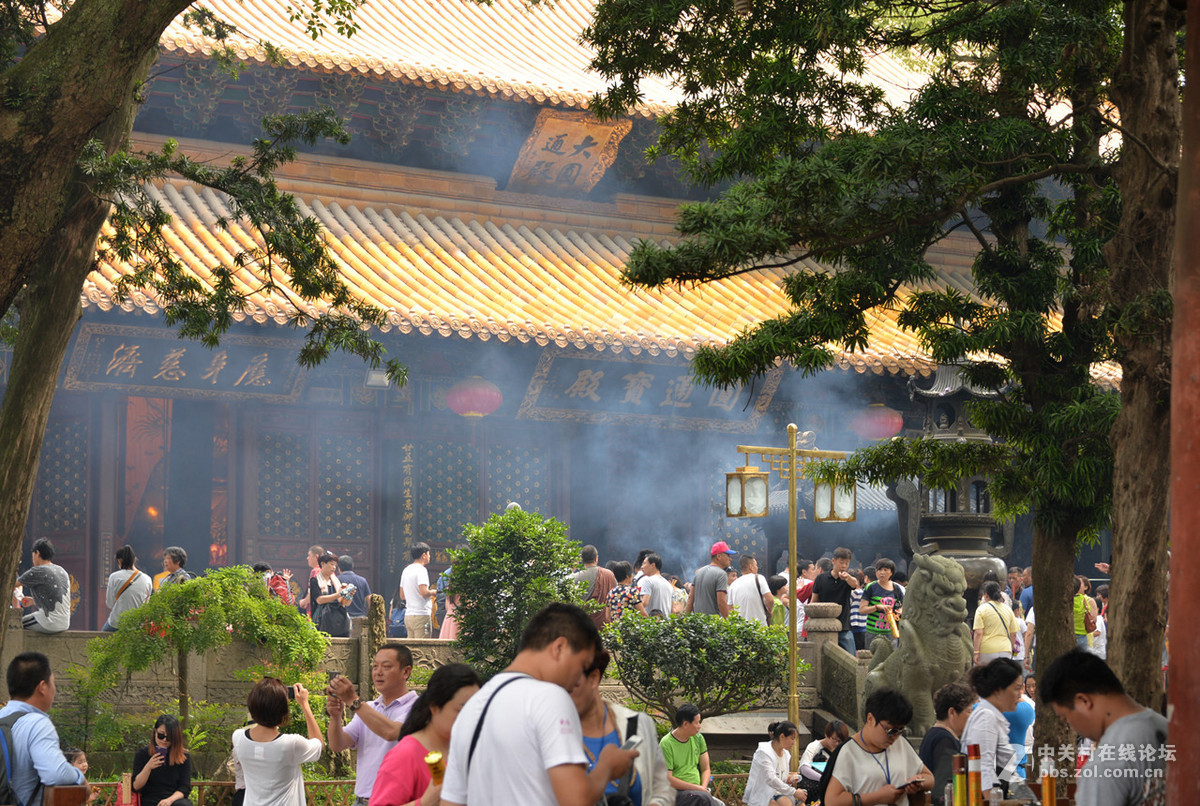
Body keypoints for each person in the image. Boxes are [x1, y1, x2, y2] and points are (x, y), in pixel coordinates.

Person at [441, 603, 637, 806]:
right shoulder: (549, 698)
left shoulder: (473, 707)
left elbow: (450, 802)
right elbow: (576, 801)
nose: (579, 679)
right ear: (560, 647)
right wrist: (606, 767)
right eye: (582, 665)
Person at [1040, 648, 1168, 806]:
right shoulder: (1166, 728)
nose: (1070, 725)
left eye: (1065, 717)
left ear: (1083, 701)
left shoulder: (1104, 765)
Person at [572, 648, 673, 806]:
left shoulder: (638, 724)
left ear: (593, 678)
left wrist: (656, 803)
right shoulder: (551, 733)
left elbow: (662, 787)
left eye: (570, 686)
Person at [369, 664, 481, 806]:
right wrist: (424, 802)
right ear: (434, 707)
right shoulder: (406, 754)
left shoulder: (473, 750)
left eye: (476, 710)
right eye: (462, 710)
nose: (470, 718)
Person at [327, 644, 421, 805]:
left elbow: (392, 732)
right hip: (362, 800)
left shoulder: (419, 706)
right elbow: (337, 745)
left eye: (386, 667)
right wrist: (335, 718)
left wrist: (353, 701)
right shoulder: (369, 708)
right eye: (375, 666)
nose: (378, 672)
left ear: (406, 672)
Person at [0, 652, 86, 806]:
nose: (54, 690)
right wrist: (79, 776)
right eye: (53, 684)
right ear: (42, 687)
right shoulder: (37, 724)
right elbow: (56, 774)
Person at [823, 688, 930, 806]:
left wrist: (917, 783)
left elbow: (930, 778)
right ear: (870, 719)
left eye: (900, 730)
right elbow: (832, 801)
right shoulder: (848, 752)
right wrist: (877, 797)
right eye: (891, 730)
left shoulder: (901, 743)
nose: (894, 737)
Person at [232, 678, 323, 806]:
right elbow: (318, 743)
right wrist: (305, 704)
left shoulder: (238, 737)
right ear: (283, 710)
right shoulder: (291, 744)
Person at [961, 658, 1023, 795]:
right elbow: (983, 769)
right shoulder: (985, 718)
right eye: (1017, 688)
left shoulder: (993, 717)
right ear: (998, 690)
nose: (1020, 695)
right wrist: (994, 800)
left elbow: (1004, 774)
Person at [918, 683, 975, 805]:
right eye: (969, 711)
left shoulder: (935, 735)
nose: (971, 717)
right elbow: (943, 790)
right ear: (952, 712)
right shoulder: (945, 740)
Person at [661, 704, 723, 806]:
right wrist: (699, 789)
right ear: (685, 724)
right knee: (703, 799)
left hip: (698, 792)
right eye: (697, 722)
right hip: (675, 792)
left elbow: (706, 769)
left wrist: (703, 788)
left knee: (713, 801)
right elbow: (668, 778)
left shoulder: (698, 739)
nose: (699, 726)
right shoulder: (666, 744)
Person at [14, 538, 72, 633]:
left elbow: (13, 584)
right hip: (65, 623)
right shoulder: (62, 571)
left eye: (33, 554)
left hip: (49, 622)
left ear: (37, 553)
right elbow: (57, 600)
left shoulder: (38, 571)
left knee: (13, 624)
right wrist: (33, 601)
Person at [133, 715, 192, 806]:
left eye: (169, 737)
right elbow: (136, 787)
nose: (164, 740)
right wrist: (148, 767)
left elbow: (184, 787)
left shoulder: (183, 756)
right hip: (150, 800)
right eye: (161, 735)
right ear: (155, 732)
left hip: (174, 800)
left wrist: (169, 800)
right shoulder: (143, 754)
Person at [743, 721, 807, 806]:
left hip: (777, 793)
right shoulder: (764, 752)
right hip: (762, 794)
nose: (794, 742)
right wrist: (794, 792)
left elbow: (780, 779)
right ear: (782, 737)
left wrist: (789, 780)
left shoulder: (786, 754)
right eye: (792, 738)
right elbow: (771, 779)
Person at [812, 547, 860, 655]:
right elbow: (814, 601)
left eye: (846, 563)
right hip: (824, 626)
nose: (843, 566)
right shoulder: (821, 578)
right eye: (841, 562)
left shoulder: (848, 579)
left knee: (851, 658)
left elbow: (854, 584)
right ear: (833, 561)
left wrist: (847, 578)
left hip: (844, 626)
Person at [104, 544, 152, 631]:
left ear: (119, 561)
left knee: (101, 639)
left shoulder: (114, 577)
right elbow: (146, 605)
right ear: (134, 560)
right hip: (137, 625)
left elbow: (109, 603)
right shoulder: (147, 579)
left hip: (117, 624)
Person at [797, 721, 848, 800]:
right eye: (834, 739)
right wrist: (824, 779)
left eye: (840, 741)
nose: (837, 743)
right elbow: (804, 768)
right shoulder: (814, 747)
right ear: (826, 735)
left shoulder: (842, 750)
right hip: (814, 786)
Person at [570, 545, 618, 628]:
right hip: (606, 626)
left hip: (584, 625)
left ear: (582, 560)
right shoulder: (609, 575)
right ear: (596, 558)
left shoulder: (576, 578)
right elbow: (616, 596)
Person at [686, 541, 736, 617]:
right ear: (719, 557)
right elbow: (721, 602)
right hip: (713, 624)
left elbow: (690, 598)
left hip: (698, 622)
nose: (730, 559)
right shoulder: (721, 574)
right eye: (728, 555)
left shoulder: (699, 572)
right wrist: (728, 622)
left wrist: (685, 619)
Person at [972, 581, 1017, 665]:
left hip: (986, 651)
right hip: (1005, 650)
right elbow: (1013, 633)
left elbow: (978, 633)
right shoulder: (1008, 610)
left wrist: (976, 652)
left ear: (986, 595)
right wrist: (1009, 648)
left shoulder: (981, 609)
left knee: (986, 676)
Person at [861, 559, 903, 645]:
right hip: (872, 633)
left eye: (885, 570)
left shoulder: (897, 588)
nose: (881, 573)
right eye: (879, 570)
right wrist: (877, 607)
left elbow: (902, 606)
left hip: (891, 632)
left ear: (891, 573)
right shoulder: (870, 587)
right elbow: (862, 610)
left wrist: (900, 611)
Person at [310, 552, 351, 637]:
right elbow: (319, 600)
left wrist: (349, 595)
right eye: (332, 564)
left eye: (335, 565)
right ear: (322, 564)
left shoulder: (336, 581)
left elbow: (345, 603)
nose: (334, 567)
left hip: (338, 620)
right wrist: (338, 594)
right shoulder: (315, 581)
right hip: (322, 620)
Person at [400, 543, 434, 638]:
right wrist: (436, 592)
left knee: (410, 648)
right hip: (422, 616)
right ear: (424, 555)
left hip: (409, 616)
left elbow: (402, 596)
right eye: (428, 554)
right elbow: (424, 593)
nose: (429, 556)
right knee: (423, 647)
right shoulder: (421, 570)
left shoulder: (406, 570)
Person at [728, 555, 774, 625]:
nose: (757, 567)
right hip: (759, 626)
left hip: (741, 628)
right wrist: (769, 610)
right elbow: (770, 600)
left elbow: (730, 608)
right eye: (756, 565)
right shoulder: (759, 578)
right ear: (751, 567)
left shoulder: (733, 585)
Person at [638, 553, 674, 617]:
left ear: (653, 565)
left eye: (644, 563)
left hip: (652, 624)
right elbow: (672, 609)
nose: (641, 567)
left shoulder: (647, 581)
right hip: (665, 623)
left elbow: (644, 603)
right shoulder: (668, 585)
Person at [297, 545, 325, 615]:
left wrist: (304, 602)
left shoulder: (316, 571)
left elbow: (313, 591)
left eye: (309, 555)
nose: (307, 558)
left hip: (315, 611)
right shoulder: (326, 571)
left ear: (316, 557)